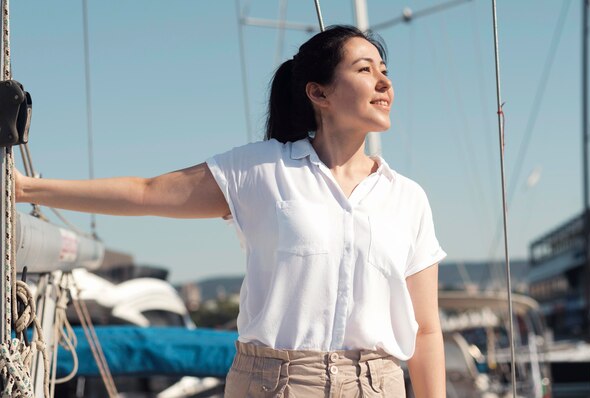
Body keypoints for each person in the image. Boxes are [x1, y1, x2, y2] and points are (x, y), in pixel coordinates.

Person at [16, 25, 446, 397]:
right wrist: (25, 188)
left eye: (385, 72)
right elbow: (146, 193)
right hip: (275, 384)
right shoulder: (260, 170)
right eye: (365, 69)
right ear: (318, 93)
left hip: (377, 385)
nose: (384, 83)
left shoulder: (407, 198)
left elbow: (425, 330)